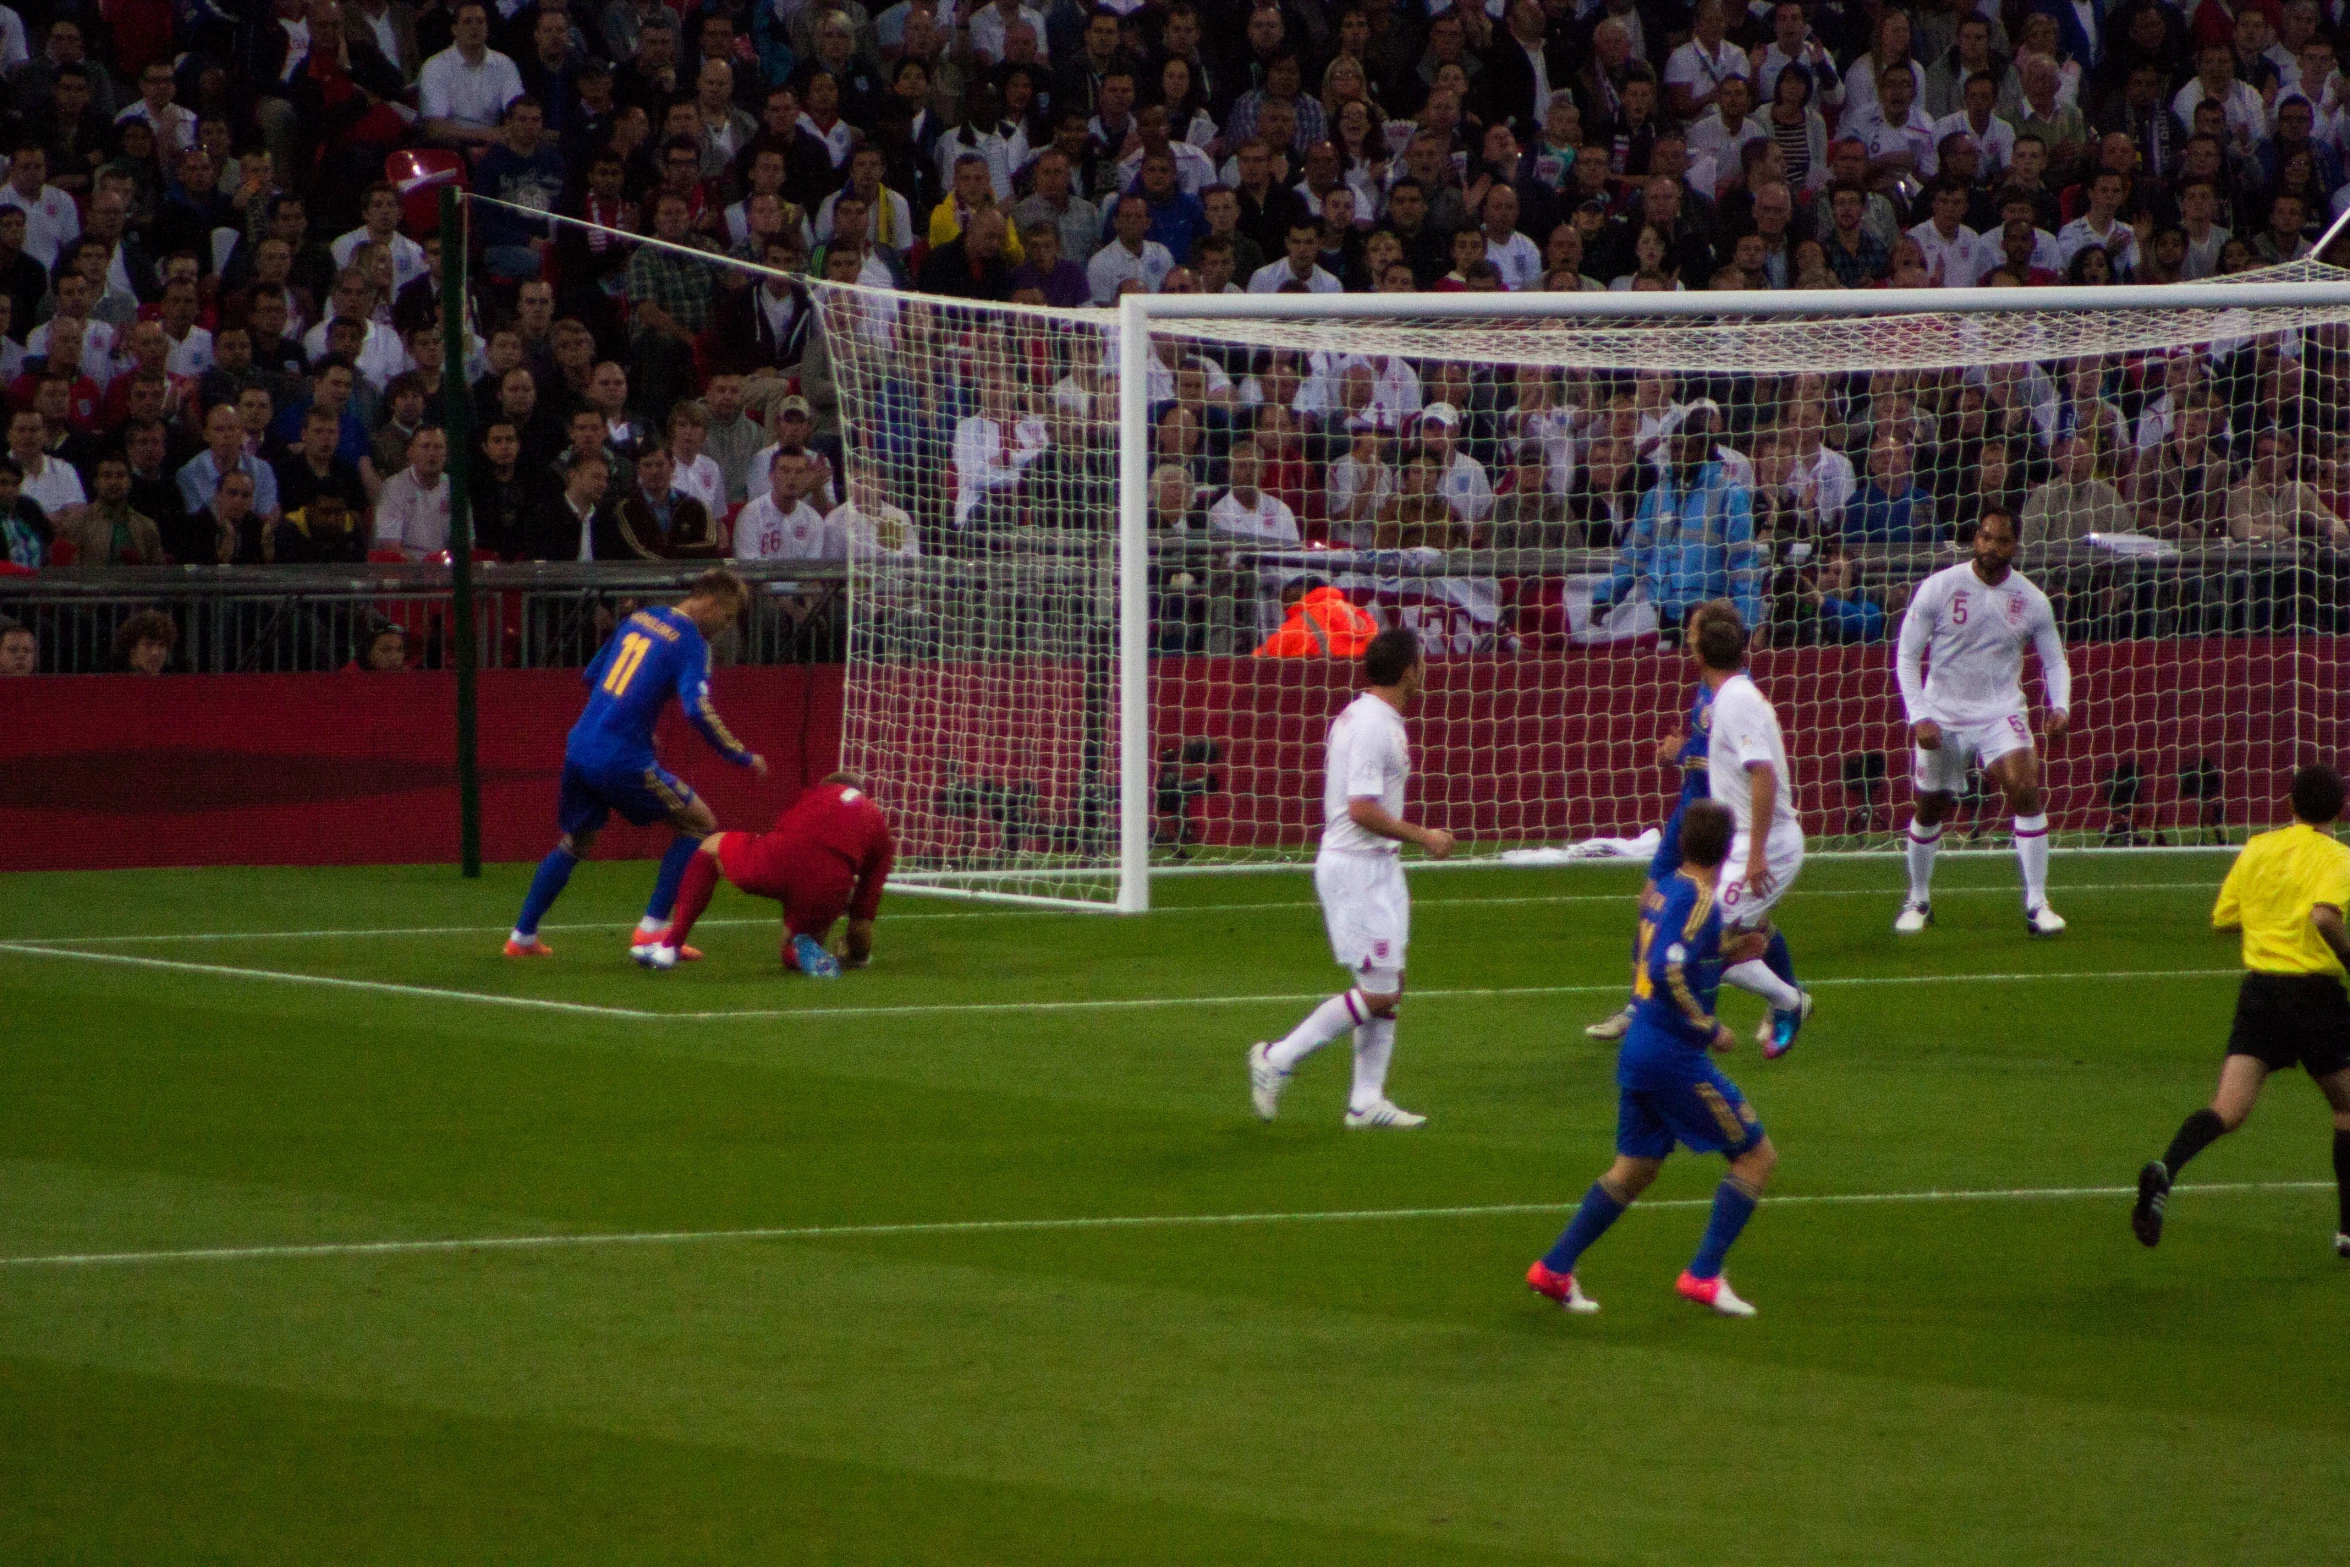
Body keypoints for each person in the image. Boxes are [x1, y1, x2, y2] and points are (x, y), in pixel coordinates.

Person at [1527, 798, 1778, 1318]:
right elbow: (1667, 970)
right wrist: (1708, 1026)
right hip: (1673, 1056)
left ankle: (1554, 1268)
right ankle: (1704, 1274)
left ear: (1682, 842)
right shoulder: (1701, 899)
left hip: (1641, 1048)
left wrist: (1730, 953)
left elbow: (1666, 957)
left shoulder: (1663, 890)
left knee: (1633, 1171)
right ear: (1729, 848)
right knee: (1757, 1158)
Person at [2131, 764, 2350, 1258]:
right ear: (2339, 809)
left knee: (2227, 1109)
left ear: (2289, 805)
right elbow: (2323, 915)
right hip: (2315, 995)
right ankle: (2348, 1232)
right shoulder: (2338, 857)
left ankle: (2167, 1168)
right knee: (2346, 1107)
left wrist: (2269, 917)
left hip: (2261, 995)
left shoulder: (2257, 848)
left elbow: (2224, 918)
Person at [1248, 628, 1453, 1130]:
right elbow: (1361, 809)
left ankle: (1365, 1101)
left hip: (1378, 867)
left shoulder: (1376, 718)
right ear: (1407, 671)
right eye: (1421, 663)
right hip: (1355, 868)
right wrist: (1422, 835)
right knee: (1380, 992)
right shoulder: (1371, 726)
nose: (1425, 670)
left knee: (1390, 984)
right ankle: (1277, 1057)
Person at [506, 569, 768, 960]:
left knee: (576, 842)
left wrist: (632, 723)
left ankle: (522, 937)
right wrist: (738, 753)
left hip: (580, 745)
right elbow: (697, 710)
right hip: (620, 757)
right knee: (698, 823)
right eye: (728, 616)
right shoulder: (690, 642)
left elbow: (593, 674)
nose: (726, 627)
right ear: (711, 603)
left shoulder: (639, 618)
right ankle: (652, 930)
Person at [1893, 508, 2074, 937]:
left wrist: (2060, 706)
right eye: (1985, 538)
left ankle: (2037, 903)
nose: (1992, 547)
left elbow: (2053, 660)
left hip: (2000, 711)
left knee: (2024, 788)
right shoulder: (1940, 587)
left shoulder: (2030, 599)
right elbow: (1906, 655)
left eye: (2002, 541)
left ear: (2015, 546)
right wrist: (1919, 714)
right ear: (1976, 539)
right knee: (1930, 806)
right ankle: (1918, 899)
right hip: (1943, 714)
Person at [1587, 602, 1748, 1041]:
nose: (1689, 636)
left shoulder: (1734, 693)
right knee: (1651, 901)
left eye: (1694, 629)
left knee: (1727, 920)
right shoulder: (1705, 685)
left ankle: (1781, 994)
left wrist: (1679, 753)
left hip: (1713, 817)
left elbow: (1727, 763)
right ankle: (1638, 1005)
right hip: (1687, 809)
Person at [633, 770, 896, 974]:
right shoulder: (879, 828)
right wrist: (857, 957)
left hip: (780, 859)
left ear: (827, 787)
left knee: (710, 847)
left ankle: (670, 947)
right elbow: (862, 919)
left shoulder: (814, 796)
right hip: (828, 885)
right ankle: (802, 952)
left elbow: (785, 835)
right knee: (795, 943)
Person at [1700, 611, 1812, 1055]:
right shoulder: (1733, 696)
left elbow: (1762, 773)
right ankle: (1785, 996)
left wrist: (1757, 854)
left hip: (1766, 841)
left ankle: (1789, 1001)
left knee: (1706, 944)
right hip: (1743, 840)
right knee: (1742, 926)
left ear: (1698, 654)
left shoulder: (1736, 700)